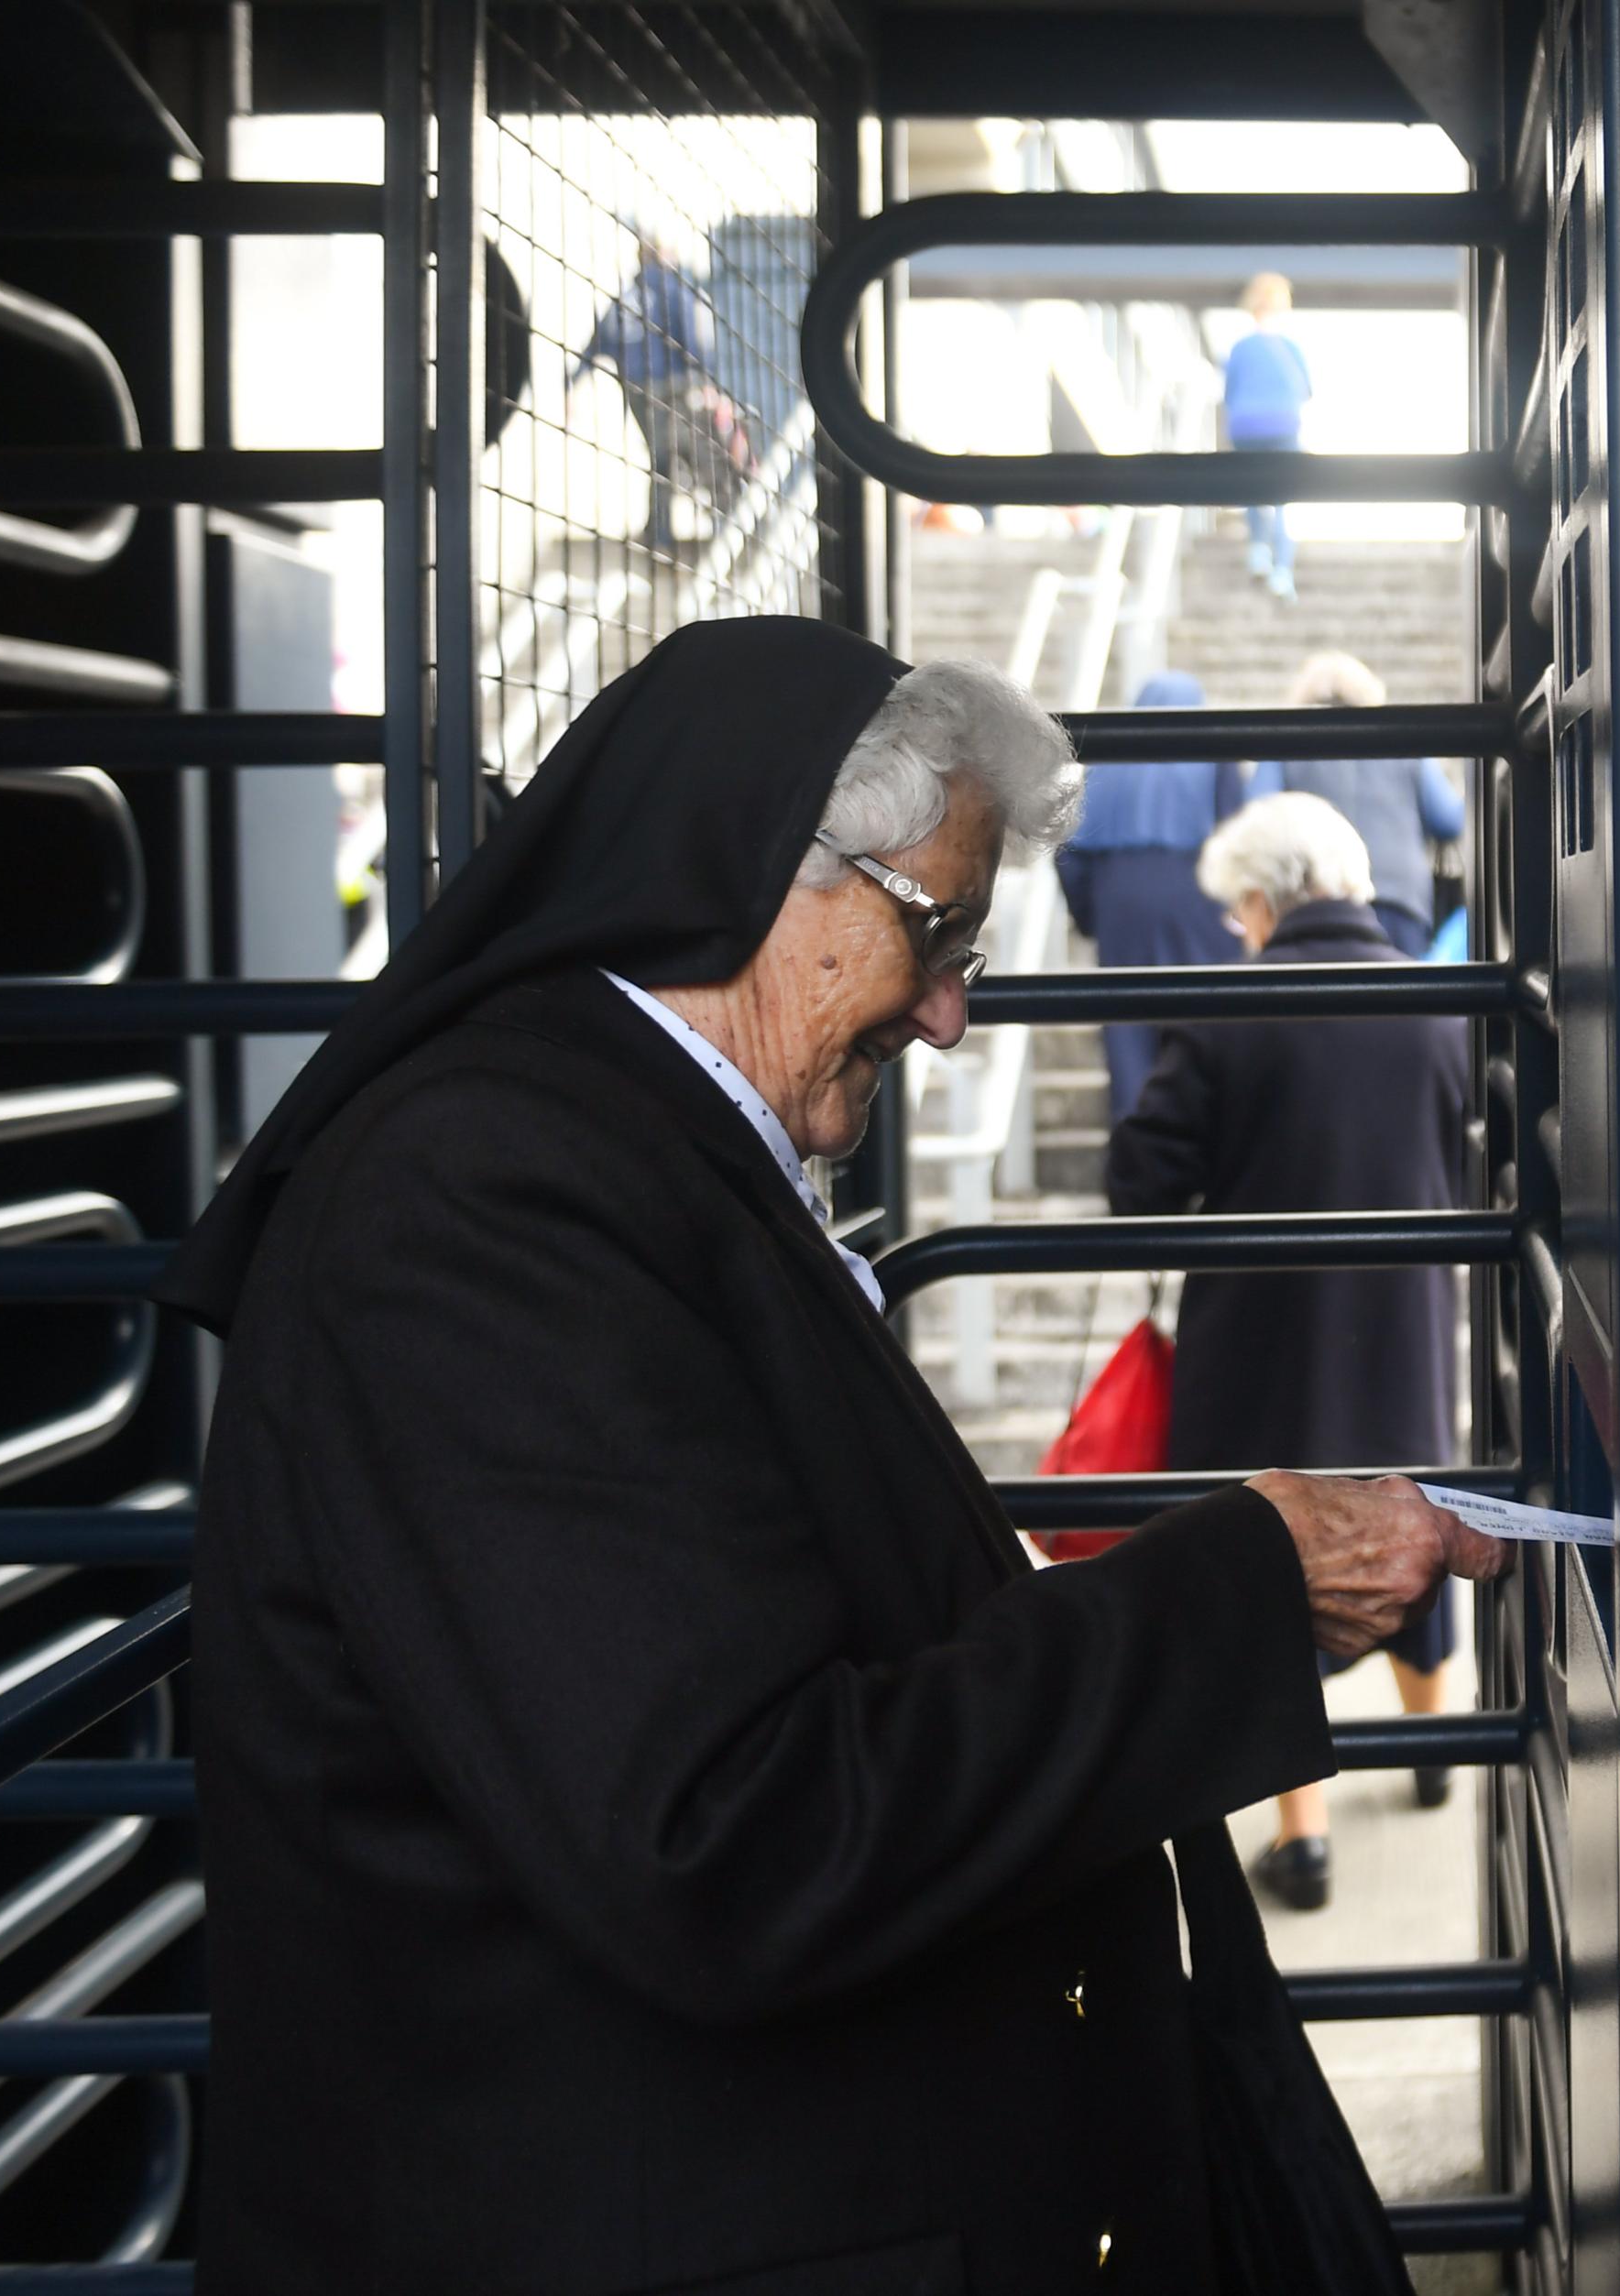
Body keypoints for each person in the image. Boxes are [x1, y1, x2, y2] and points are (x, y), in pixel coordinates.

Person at [162, 622, 1508, 2294]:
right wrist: (1238, 1584)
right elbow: (731, 1833)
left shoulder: (623, 1158)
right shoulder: (480, 1209)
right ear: (763, 876)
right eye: (935, 934)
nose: (947, 1015)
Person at [1106, 794, 1472, 1912]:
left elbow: (1143, 1183)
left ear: (1264, 900)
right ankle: (1436, 1743)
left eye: (1238, 912)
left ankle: (1302, 1836)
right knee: (1412, 1503)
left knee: (1273, 1557)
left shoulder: (1227, 1010)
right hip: (1403, 1330)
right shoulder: (1439, 1005)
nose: (1235, 932)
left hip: (1263, 1346)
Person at [1056, 668, 1247, 1121]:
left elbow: (1068, 850)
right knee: (1205, 1023)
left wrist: (1090, 917)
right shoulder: (1216, 748)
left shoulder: (1108, 756)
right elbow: (1240, 837)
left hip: (1120, 902)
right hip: (1199, 895)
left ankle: (1136, 1163)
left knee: (1129, 1035)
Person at [1247, 652, 1467, 957]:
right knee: (1406, 997)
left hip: (1313, 906)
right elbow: (1450, 820)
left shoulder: (1285, 741)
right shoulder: (1405, 740)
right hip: (1401, 901)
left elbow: (1257, 815)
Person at [571, 221, 727, 552]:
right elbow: (690, 339)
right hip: (672, 388)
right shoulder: (671, 288)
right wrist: (708, 380)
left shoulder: (628, 295)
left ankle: (657, 531)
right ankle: (682, 533)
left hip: (637, 390)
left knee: (660, 457)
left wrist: (574, 382)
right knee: (687, 455)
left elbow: (599, 341)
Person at [1221, 271, 1312, 601]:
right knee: (1284, 500)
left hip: (1245, 426)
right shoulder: (1289, 347)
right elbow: (1307, 391)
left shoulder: (1240, 348)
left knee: (1252, 489)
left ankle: (1258, 548)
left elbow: (1229, 393)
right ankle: (1282, 571)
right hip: (1283, 426)